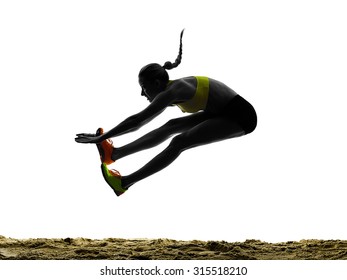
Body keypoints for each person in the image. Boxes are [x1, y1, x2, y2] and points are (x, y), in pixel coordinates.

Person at [75, 30, 257, 196]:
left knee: (179, 142)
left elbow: (138, 121)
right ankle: (114, 154)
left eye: (144, 88)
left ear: (155, 84)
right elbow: (141, 121)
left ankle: (124, 183)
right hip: (219, 111)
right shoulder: (170, 90)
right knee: (171, 126)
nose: (141, 93)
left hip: (241, 116)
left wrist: (102, 137)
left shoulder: (175, 91)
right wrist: (105, 138)